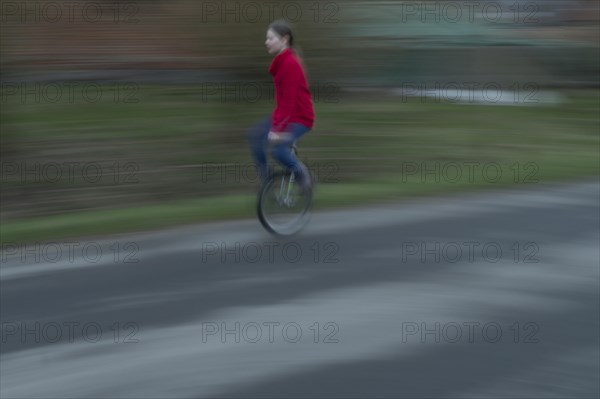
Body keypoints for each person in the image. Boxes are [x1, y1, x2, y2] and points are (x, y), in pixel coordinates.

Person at [248, 20, 315, 191]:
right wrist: (277, 125)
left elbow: (290, 101)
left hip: (300, 118)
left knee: (278, 151)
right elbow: (284, 102)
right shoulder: (282, 62)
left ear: (284, 39)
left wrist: (278, 129)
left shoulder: (290, 63)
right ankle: (268, 180)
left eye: (270, 38)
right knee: (255, 136)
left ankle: (302, 173)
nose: (266, 42)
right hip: (286, 114)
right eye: (266, 38)